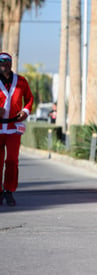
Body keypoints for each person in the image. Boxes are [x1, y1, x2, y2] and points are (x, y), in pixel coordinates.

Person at [0, 52, 34, 206]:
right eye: (1, 61)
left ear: (11, 64)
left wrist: (25, 111)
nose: (4, 64)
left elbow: (29, 99)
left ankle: (9, 191)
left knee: (12, 160)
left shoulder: (20, 81)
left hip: (14, 127)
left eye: (7, 62)